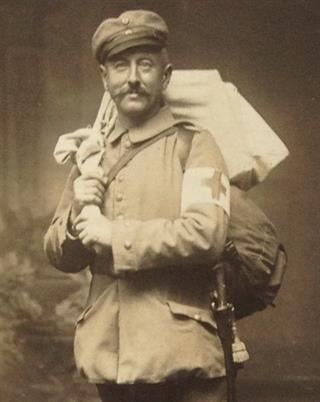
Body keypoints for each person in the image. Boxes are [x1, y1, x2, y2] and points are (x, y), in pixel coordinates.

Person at [44, 10, 231, 402]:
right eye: (120, 65)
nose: (132, 77)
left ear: (165, 76)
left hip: (181, 358)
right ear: (105, 78)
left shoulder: (194, 145)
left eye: (145, 65)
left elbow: (206, 234)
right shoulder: (92, 153)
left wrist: (113, 235)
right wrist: (80, 214)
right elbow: (59, 254)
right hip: (110, 360)